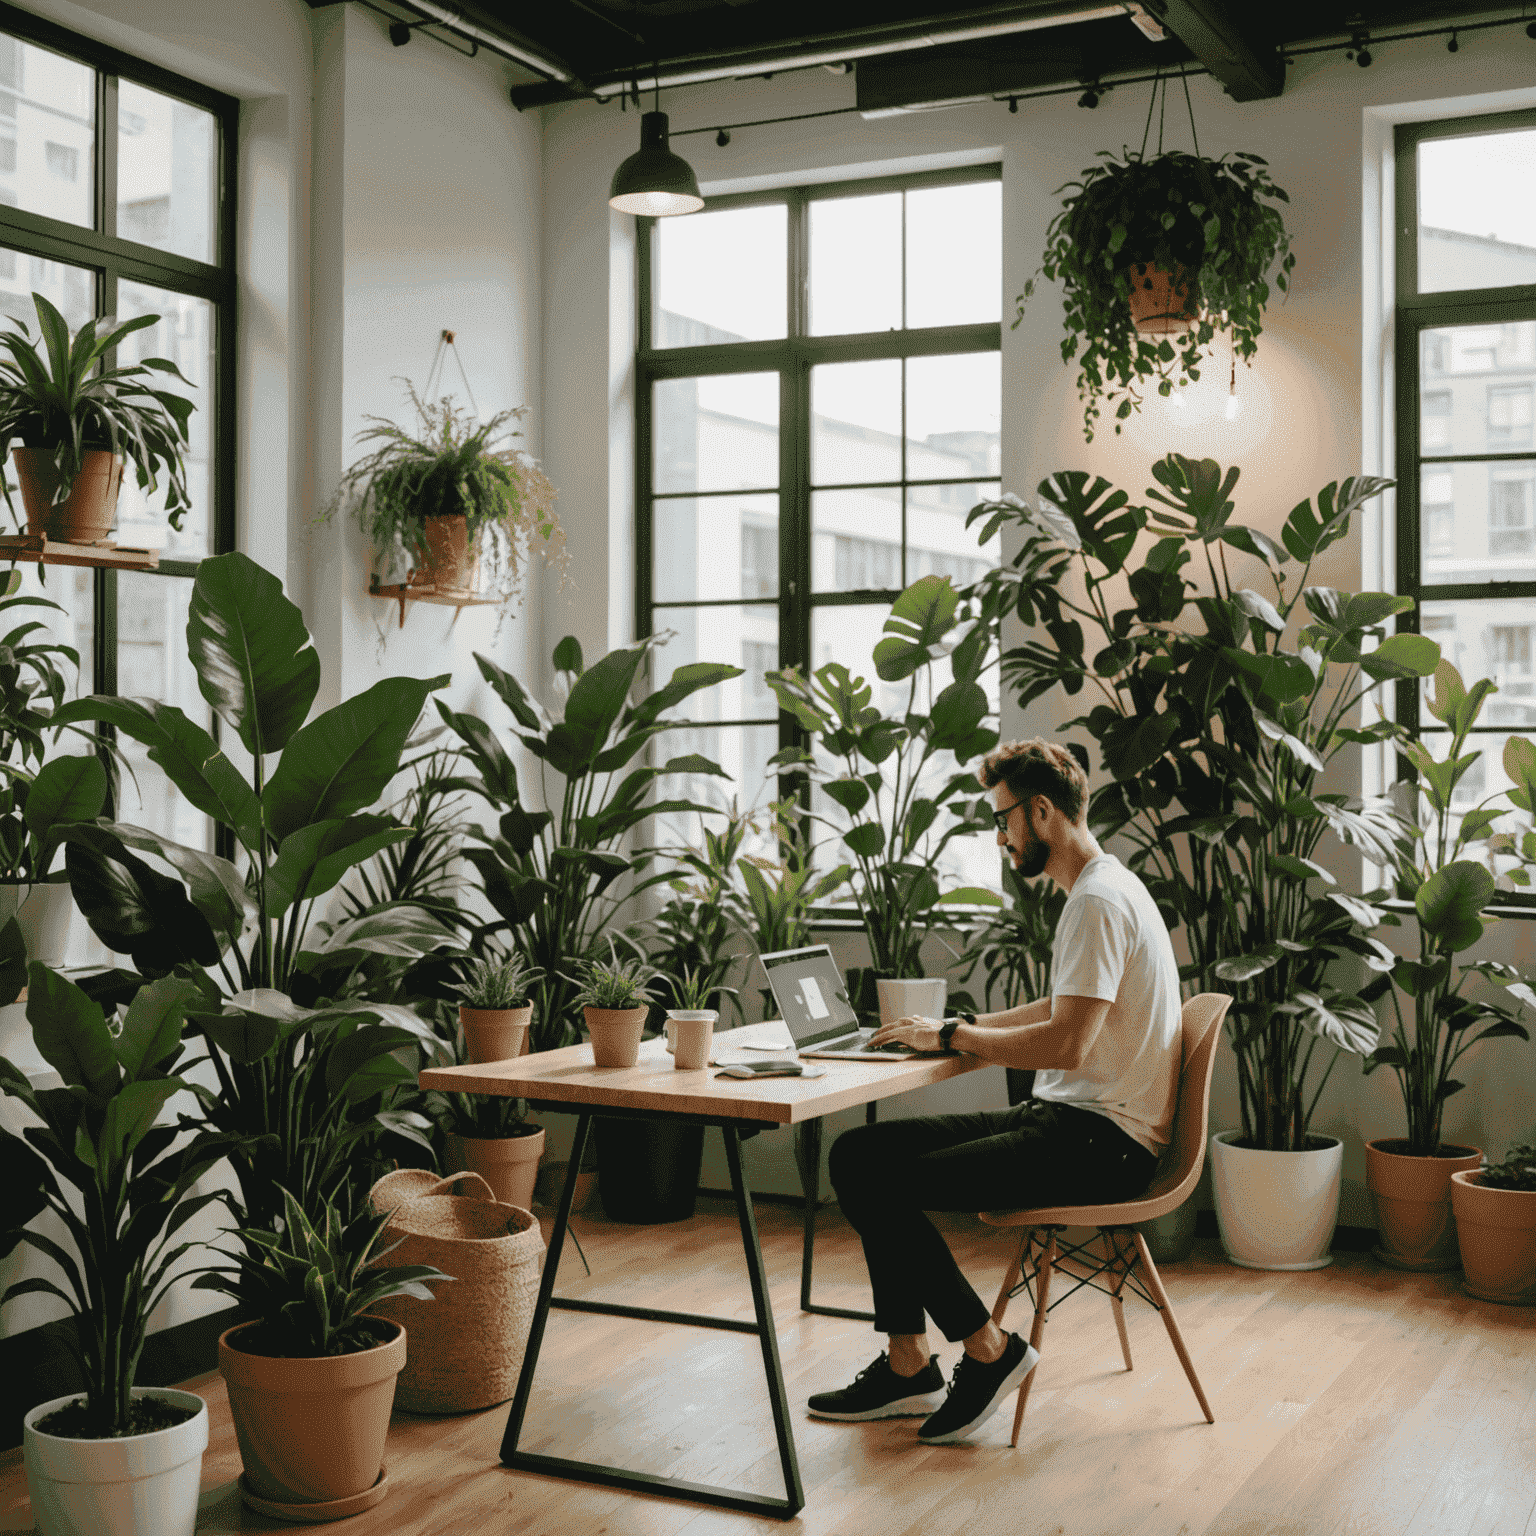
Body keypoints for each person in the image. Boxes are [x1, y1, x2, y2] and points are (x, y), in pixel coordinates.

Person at [806, 737, 1181, 1445]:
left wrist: (956, 1040)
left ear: (1041, 812)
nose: (1002, 837)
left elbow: (1066, 1042)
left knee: (882, 1185)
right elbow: (1057, 1009)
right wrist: (954, 1026)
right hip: (1071, 1122)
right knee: (858, 1156)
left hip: (1100, 1143)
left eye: (1003, 819)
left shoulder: (1097, 902)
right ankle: (909, 1364)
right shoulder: (1107, 887)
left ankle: (986, 1349)